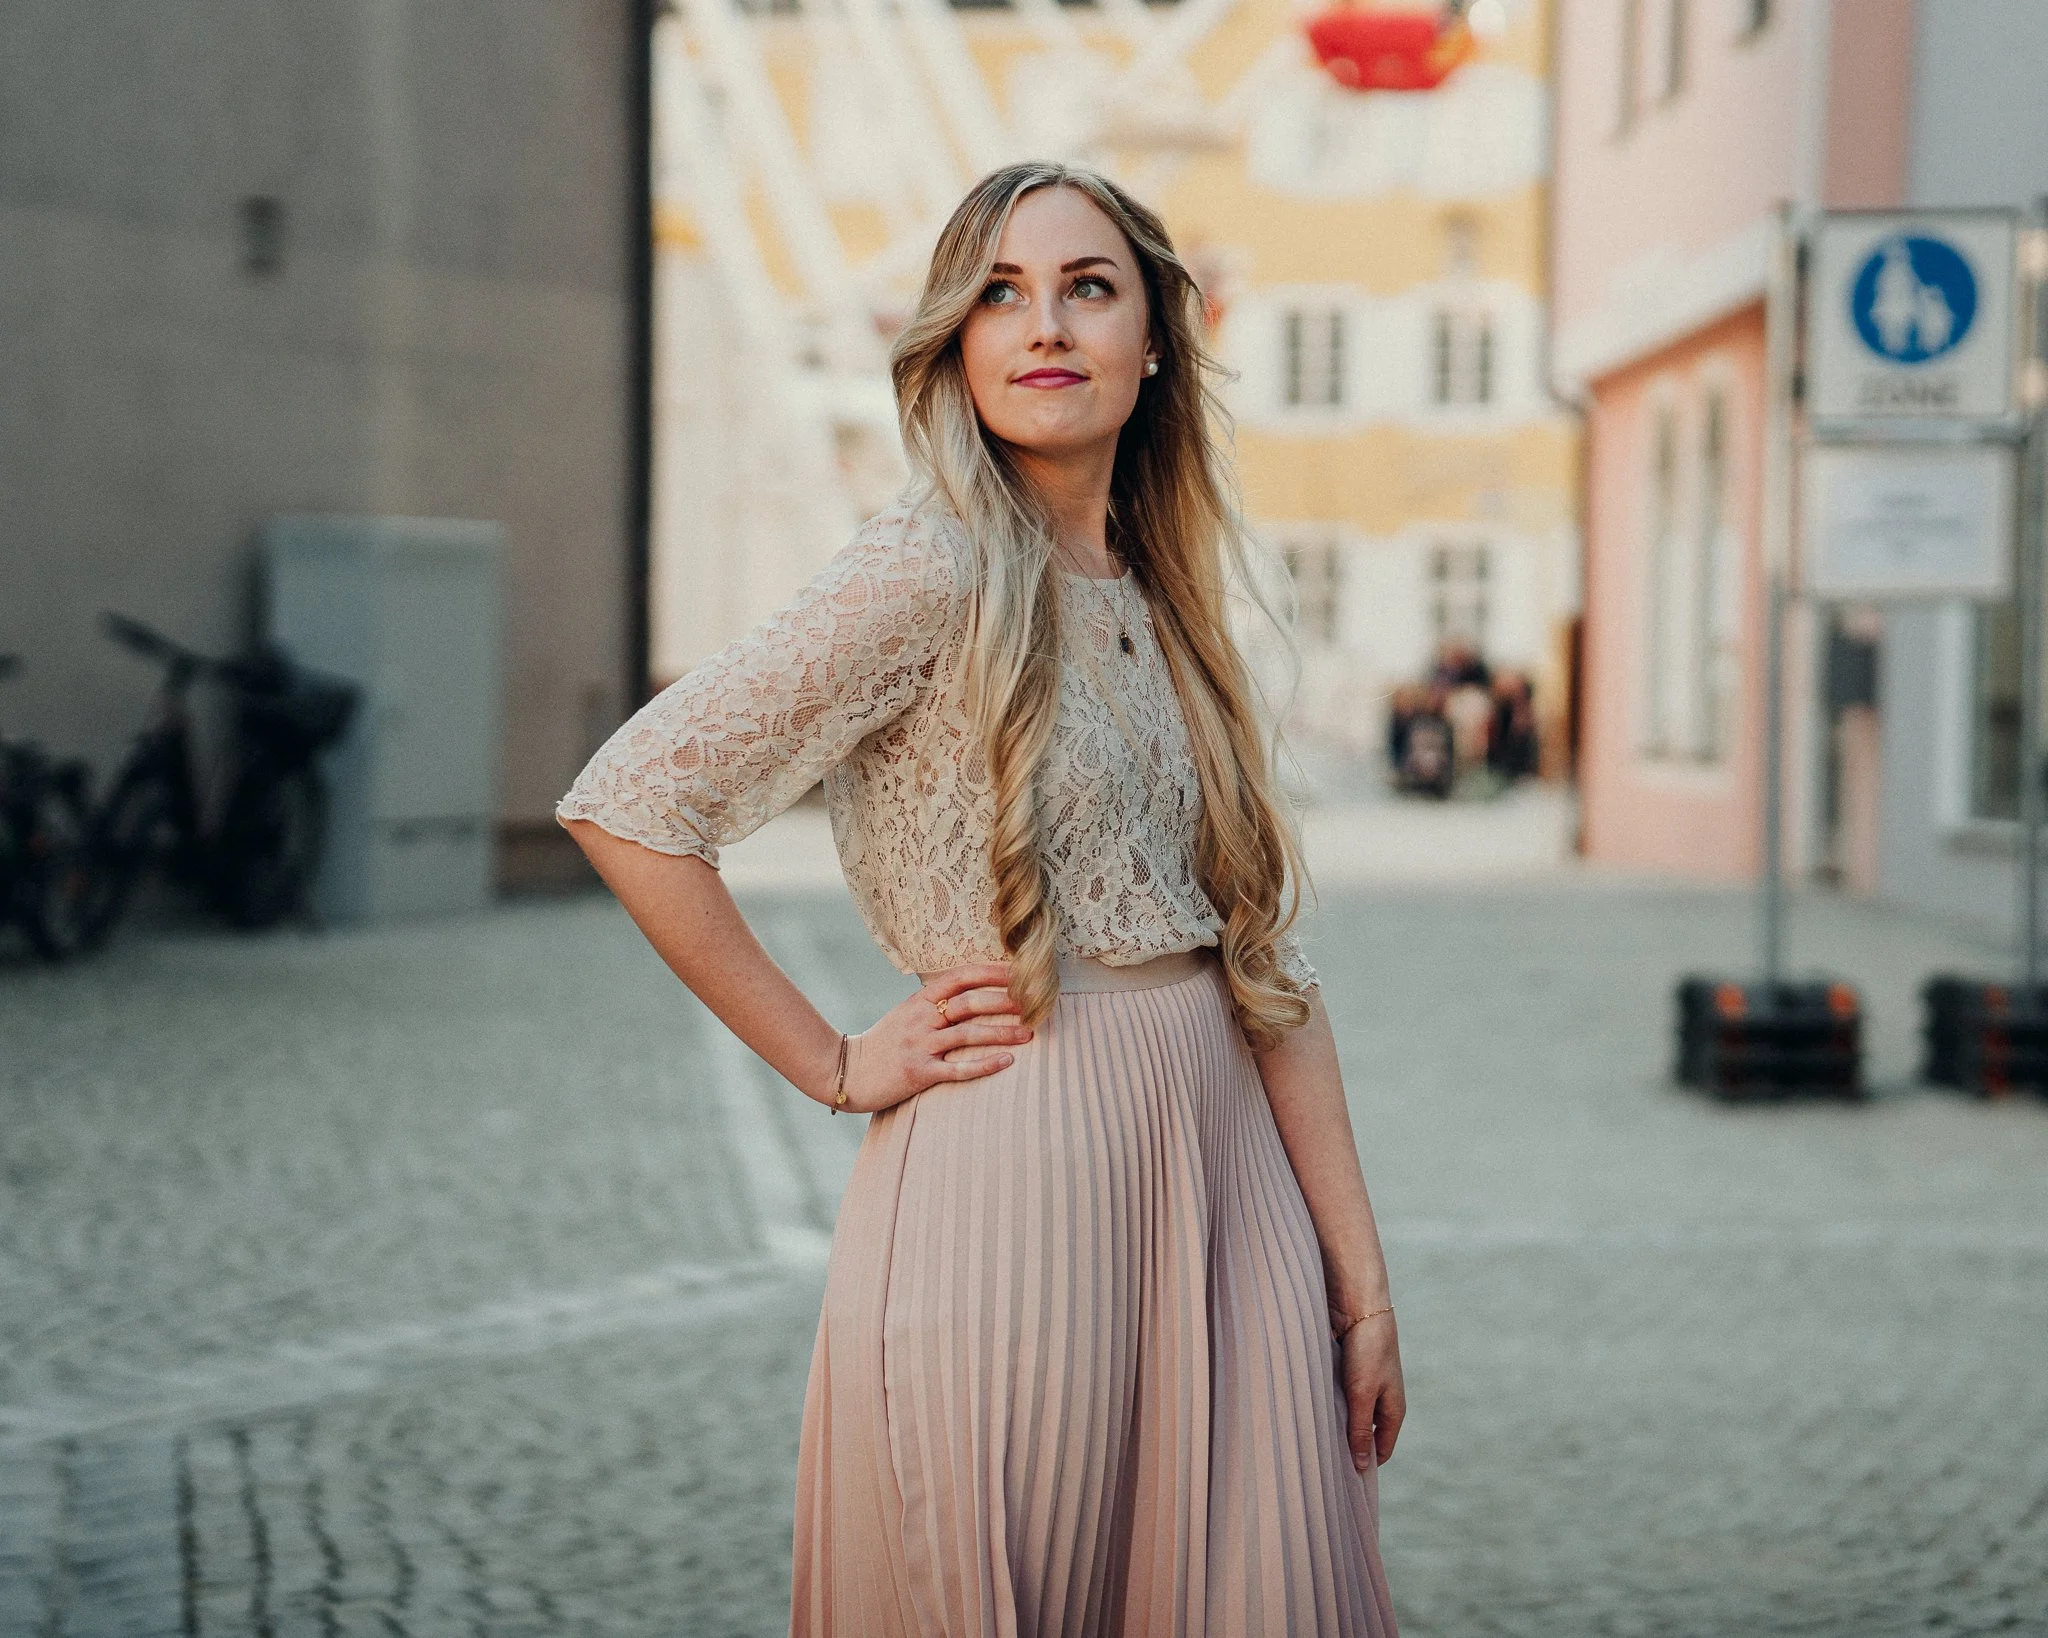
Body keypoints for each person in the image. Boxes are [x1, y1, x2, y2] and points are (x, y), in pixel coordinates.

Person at [559, 162, 1403, 1637]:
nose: (1044, 325)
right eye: (999, 293)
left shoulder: (1169, 596)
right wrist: (831, 1060)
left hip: (1226, 1197)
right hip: (1015, 1191)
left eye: (1088, 287)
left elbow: (1270, 964)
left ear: (1154, 342)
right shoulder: (925, 566)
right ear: (952, 342)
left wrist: (1359, 1275)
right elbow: (633, 800)